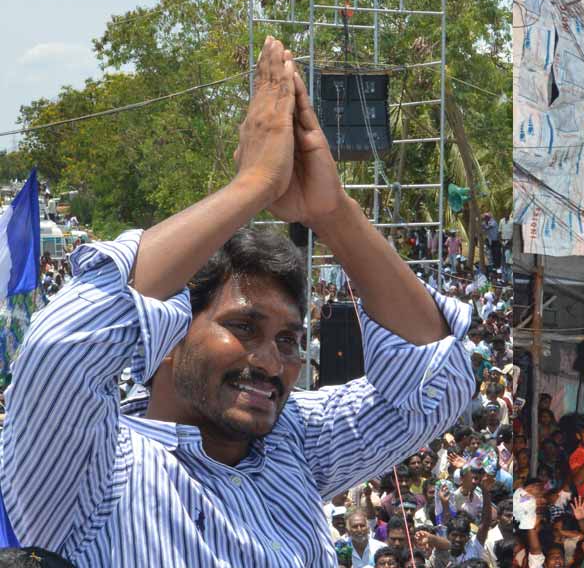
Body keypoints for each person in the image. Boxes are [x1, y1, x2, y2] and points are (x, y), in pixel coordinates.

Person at [3, 38, 474, 566]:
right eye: (244, 327)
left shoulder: (292, 444)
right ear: (166, 336)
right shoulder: (92, 469)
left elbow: (432, 388)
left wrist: (334, 211)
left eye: (290, 340)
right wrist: (251, 186)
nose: (272, 363)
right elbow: (61, 347)